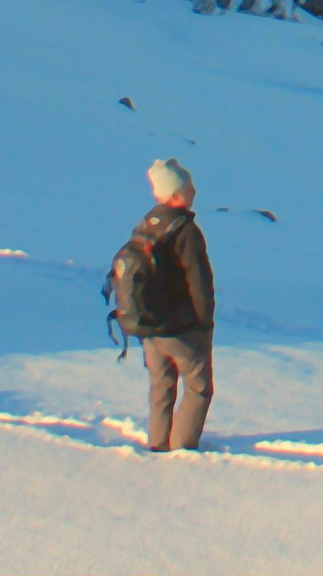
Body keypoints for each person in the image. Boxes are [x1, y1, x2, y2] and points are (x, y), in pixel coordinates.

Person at [135, 157, 215, 452]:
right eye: (190, 187)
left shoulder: (145, 225)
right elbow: (199, 281)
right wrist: (204, 320)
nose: (194, 191)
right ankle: (183, 448)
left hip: (150, 327)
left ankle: (157, 443)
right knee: (198, 388)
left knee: (161, 386)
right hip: (184, 328)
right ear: (177, 195)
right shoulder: (186, 232)